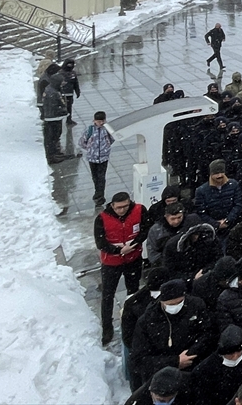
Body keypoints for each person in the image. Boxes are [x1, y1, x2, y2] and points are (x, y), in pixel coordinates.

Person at [95, 191, 146, 345]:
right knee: (108, 295)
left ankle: (132, 319)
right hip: (111, 263)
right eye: (118, 208)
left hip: (133, 259)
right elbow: (100, 243)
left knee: (133, 291)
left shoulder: (139, 210)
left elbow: (145, 229)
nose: (122, 210)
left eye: (125, 206)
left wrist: (135, 243)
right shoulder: (102, 218)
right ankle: (107, 327)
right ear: (112, 206)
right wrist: (118, 251)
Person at [81, 110, 114, 205]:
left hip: (103, 158)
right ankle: (97, 191)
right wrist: (90, 149)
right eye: (98, 121)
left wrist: (105, 148)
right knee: (95, 176)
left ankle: (100, 194)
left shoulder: (107, 129)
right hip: (92, 158)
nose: (100, 123)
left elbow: (112, 139)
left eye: (102, 121)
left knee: (101, 176)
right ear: (94, 120)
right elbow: (82, 141)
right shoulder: (90, 130)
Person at [40, 64, 69, 164]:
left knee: (55, 136)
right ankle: (52, 156)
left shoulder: (53, 90)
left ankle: (55, 153)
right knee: (52, 137)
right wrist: (63, 110)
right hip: (52, 119)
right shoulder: (52, 92)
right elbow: (54, 106)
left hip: (54, 118)